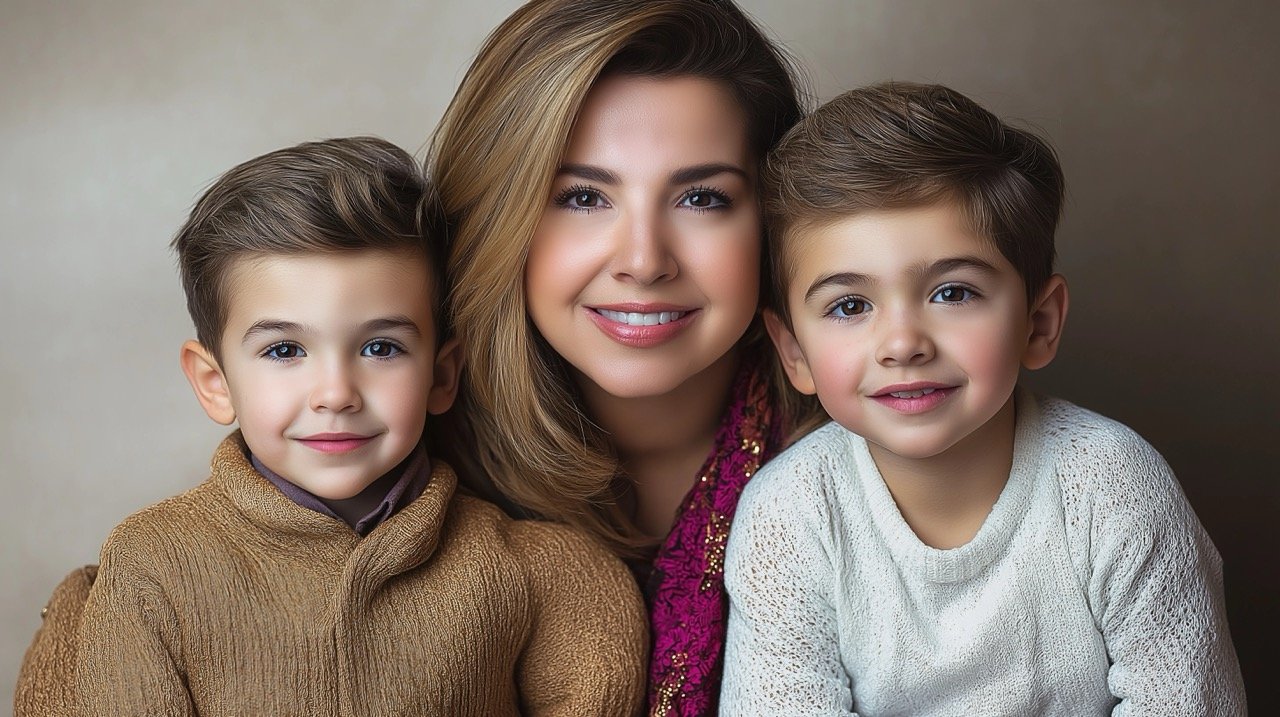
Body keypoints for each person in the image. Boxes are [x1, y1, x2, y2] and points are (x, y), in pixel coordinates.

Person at [17, 137, 646, 716]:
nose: (336, 395)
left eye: (381, 349)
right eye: (285, 351)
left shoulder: (534, 573)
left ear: (441, 376)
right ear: (214, 383)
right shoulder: (153, 566)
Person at [719, 82, 1246, 714]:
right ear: (795, 352)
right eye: (850, 305)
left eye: (953, 293)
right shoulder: (790, 516)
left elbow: (1190, 701)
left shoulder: (1114, 488)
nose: (903, 343)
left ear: (1039, 323)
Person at [427, 1, 814, 714]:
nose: (643, 260)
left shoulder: (878, 465)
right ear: (498, 215)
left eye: (701, 197)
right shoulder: (403, 474)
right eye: (582, 196)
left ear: (773, 223)